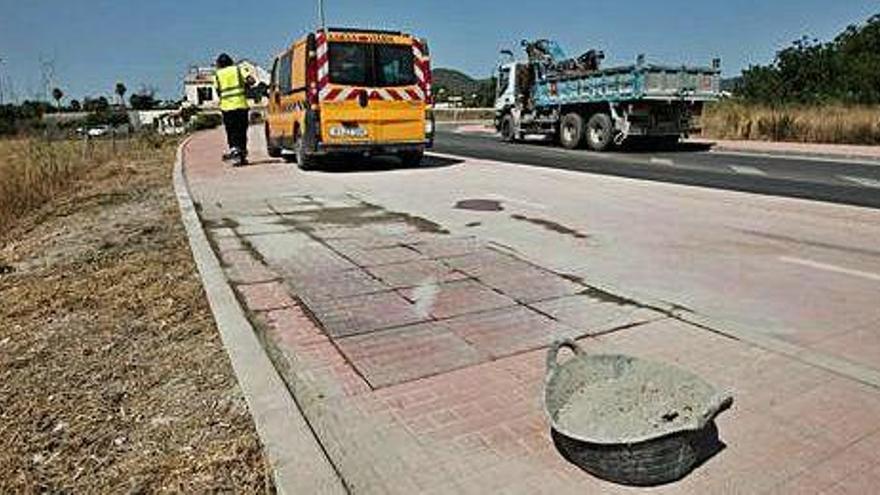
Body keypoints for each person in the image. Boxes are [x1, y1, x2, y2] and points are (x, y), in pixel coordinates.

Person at [214, 53, 255, 166]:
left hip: (226, 107)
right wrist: (245, 86)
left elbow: (218, 92)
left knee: (231, 131)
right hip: (241, 105)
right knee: (242, 131)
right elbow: (252, 80)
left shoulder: (217, 75)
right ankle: (242, 154)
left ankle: (234, 150)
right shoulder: (239, 69)